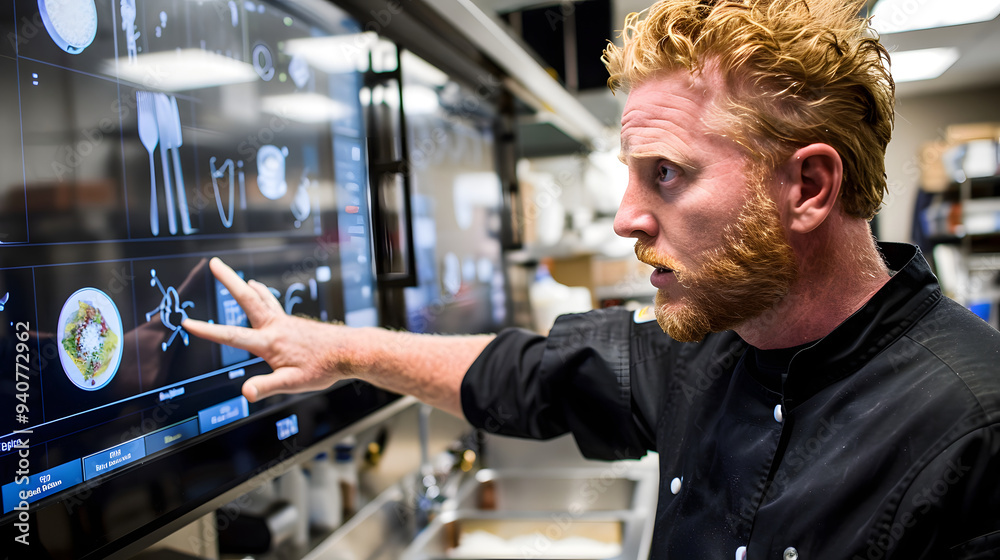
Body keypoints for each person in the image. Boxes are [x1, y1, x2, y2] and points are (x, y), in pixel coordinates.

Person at [184, 0, 1000, 557]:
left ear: (809, 187)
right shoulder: (715, 349)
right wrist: (335, 349)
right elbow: (527, 374)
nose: (626, 218)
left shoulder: (974, 433)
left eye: (666, 174)